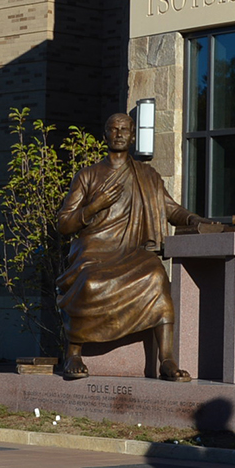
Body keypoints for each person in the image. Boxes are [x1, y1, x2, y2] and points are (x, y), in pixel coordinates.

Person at [54, 112, 218, 381]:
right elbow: (64, 224)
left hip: (131, 251)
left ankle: (166, 359)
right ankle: (73, 353)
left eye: (124, 129)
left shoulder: (146, 175)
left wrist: (193, 219)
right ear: (105, 135)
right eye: (113, 129)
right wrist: (95, 206)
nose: (119, 133)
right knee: (90, 281)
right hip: (94, 251)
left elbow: (170, 208)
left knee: (156, 275)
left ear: (132, 137)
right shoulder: (88, 176)